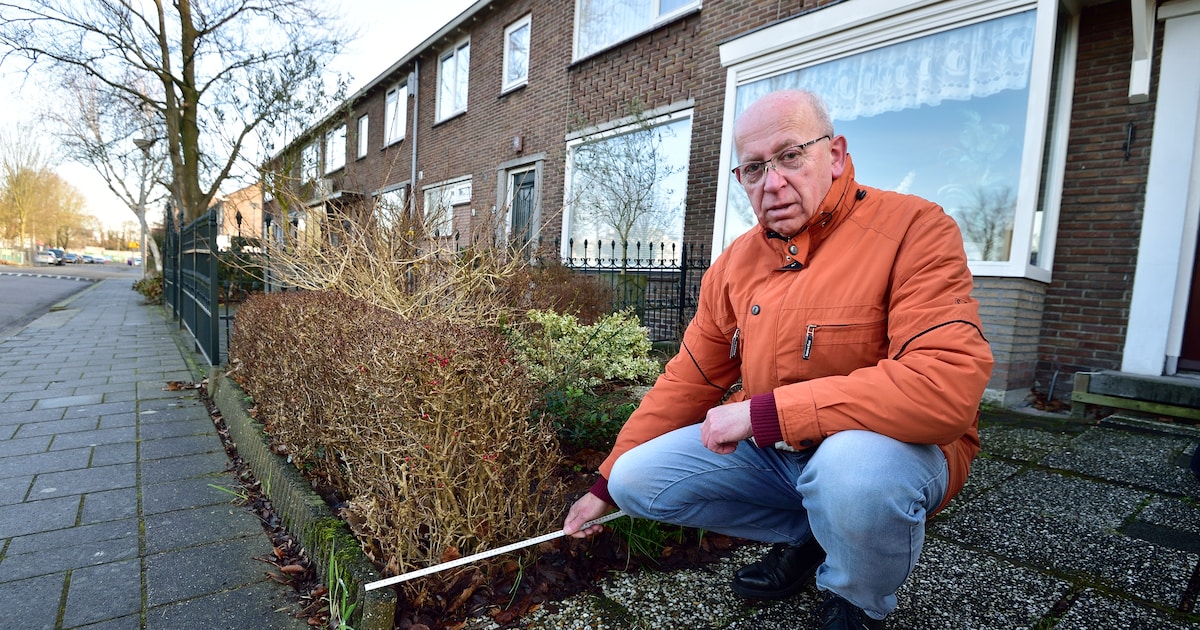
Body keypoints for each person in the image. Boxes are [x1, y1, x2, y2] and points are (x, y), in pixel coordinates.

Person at [563, 89, 994, 629]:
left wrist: (763, 414)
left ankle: (858, 597)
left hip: (891, 454)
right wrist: (603, 484)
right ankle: (814, 534)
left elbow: (943, 388)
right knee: (637, 481)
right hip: (782, 451)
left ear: (834, 156)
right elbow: (689, 378)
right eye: (753, 168)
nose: (772, 182)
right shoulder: (734, 265)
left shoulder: (915, 229)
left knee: (853, 476)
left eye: (791, 156)